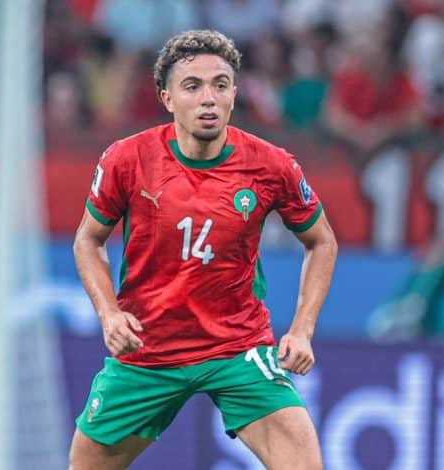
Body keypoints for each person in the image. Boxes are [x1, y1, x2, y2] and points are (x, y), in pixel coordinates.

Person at [69, 29, 338, 469]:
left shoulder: (271, 165)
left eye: (220, 85)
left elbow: (321, 240)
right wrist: (109, 315)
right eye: (192, 86)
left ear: (234, 93)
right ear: (168, 98)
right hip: (148, 348)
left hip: (237, 348)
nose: (208, 98)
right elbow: (88, 239)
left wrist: (302, 330)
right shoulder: (127, 159)